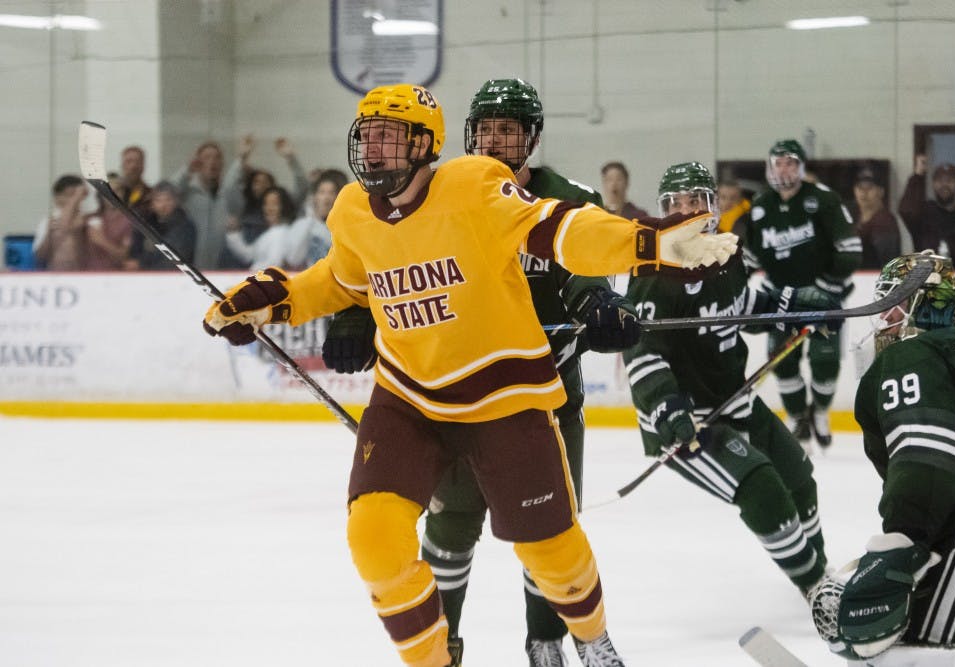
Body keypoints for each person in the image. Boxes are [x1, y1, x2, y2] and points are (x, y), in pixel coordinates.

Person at [202, 83, 738, 667]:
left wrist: (648, 242)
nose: (374, 149)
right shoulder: (354, 209)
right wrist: (274, 301)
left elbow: (562, 232)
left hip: (505, 398)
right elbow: (340, 278)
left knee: (552, 553)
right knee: (374, 538)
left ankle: (591, 634)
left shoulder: (475, 185)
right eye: (368, 135)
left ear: (426, 144)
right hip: (409, 398)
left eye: (390, 135)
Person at [327, 78, 638, 667]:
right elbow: (383, 258)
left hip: (540, 398)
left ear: (532, 139)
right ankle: (446, 645)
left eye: (508, 130)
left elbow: (577, 256)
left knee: (546, 530)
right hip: (451, 399)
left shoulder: (566, 193)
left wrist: (599, 303)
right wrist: (351, 316)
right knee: (450, 528)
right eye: (486, 129)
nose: (494, 141)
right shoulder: (447, 189)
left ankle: (550, 640)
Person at [624, 161, 831, 601]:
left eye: (695, 200)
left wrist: (792, 308)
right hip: (686, 420)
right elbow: (642, 353)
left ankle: (822, 572)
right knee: (764, 492)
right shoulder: (653, 271)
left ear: (713, 205)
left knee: (799, 479)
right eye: (675, 203)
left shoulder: (725, 252)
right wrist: (669, 411)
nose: (686, 211)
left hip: (733, 400)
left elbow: (742, 305)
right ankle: (818, 590)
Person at [809, 251, 955, 665]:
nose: (881, 317)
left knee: (933, 648)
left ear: (918, 303)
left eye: (889, 303)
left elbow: (926, 457)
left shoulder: (910, 354)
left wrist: (900, 546)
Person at [743, 139, 862, 451]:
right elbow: (751, 257)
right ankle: (799, 419)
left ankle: (820, 411)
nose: (784, 169)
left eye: (791, 163)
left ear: (801, 167)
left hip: (822, 299)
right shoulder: (760, 205)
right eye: (778, 163)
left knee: (825, 362)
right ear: (770, 167)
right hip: (780, 300)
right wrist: (732, 286)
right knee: (782, 363)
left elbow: (850, 251)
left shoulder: (823, 199)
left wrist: (824, 287)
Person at [169, 140, 243, 269]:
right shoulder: (189, 191)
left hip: (224, 265)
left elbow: (239, 204)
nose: (212, 162)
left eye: (217, 158)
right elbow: (168, 191)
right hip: (193, 263)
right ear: (198, 162)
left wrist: (241, 160)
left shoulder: (228, 192)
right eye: (207, 157)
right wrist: (187, 169)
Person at [898, 156, 955, 269]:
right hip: (926, 278)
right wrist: (918, 175)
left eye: (949, 181)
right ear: (933, 184)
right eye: (940, 181)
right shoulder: (923, 213)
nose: (944, 185)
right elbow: (906, 210)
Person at [125, 181, 196, 270]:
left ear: (176, 201)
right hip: (144, 278)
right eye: (158, 200)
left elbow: (176, 258)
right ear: (152, 203)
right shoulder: (145, 224)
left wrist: (142, 264)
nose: (163, 205)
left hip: (174, 277)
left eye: (168, 200)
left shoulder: (185, 226)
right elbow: (134, 252)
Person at [224, 185, 297, 271]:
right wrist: (233, 233)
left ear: (284, 207)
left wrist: (250, 273)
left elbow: (273, 264)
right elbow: (249, 255)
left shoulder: (282, 233)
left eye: (274, 204)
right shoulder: (270, 232)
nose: (269, 208)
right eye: (266, 204)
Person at [286, 169, 348, 269]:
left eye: (331, 192)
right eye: (322, 192)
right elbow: (293, 259)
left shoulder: (344, 227)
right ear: (315, 196)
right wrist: (310, 220)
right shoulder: (302, 224)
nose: (326, 197)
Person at [849, 165, 905, 270]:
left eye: (869, 187)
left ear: (881, 192)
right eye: (860, 187)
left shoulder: (885, 221)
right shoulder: (852, 218)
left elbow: (888, 264)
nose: (864, 192)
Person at [32, 174, 90, 270]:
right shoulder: (48, 221)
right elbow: (40, 256)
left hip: (84, 276)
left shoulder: (89, 220)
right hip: (55, 275)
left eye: (75, 196)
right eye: (68, 195)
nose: (72, 200)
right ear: (57, 197)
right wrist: (49, 235)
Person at [84, 171, 133, 270]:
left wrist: (101, 241)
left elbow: (123, 256)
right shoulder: (89, 218)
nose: (112, 195)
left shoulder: (129, 222)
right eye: (107, 191)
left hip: (114, 277)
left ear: (124, 194)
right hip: (88, 277)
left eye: (117, 191)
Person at [119, 145, 151, 212]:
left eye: (137, 162)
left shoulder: (151, 196)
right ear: (122, 165)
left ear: (143, 165)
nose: (133, 166)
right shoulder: (112, 194)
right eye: (129, 161)